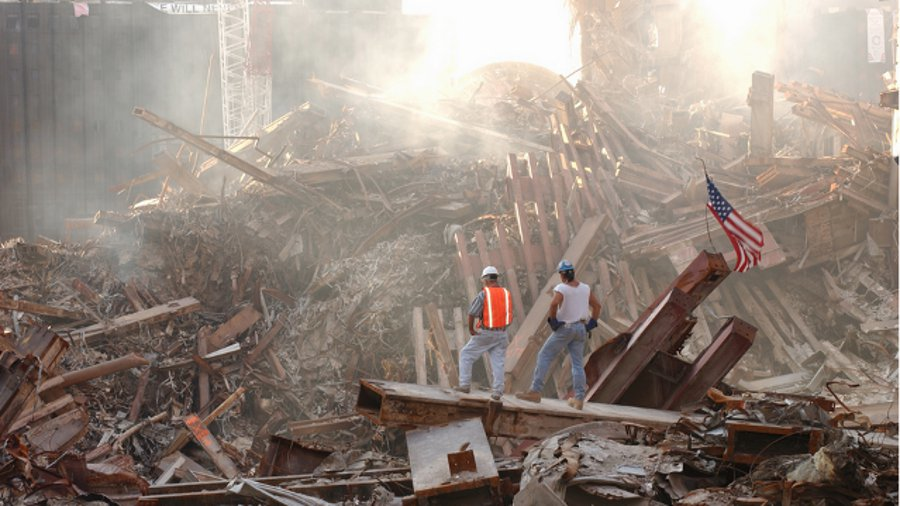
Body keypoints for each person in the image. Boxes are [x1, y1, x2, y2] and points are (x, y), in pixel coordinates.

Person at [516, 260, 601, 410]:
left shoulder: (562, 288)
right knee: (577, 364)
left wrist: (553, 321)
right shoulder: (585, 288)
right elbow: (597, 306)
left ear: (562, 274)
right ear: (573, 273)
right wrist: (591, 323)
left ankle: (535, 391)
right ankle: (579, 399)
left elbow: (554, 304)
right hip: (581, 329)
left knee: (544, 355)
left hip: (566, 329)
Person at [455, 266, 513, 401]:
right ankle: (497, 392)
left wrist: (471, 330)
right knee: (498, 363)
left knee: (466, 354)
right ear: (496, 278)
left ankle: (464, 385)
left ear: (486, 279)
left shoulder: (484, 294)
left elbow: (471, 313)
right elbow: (508, 313)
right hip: (502, 333)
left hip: (486, 333)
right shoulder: (506, 293)